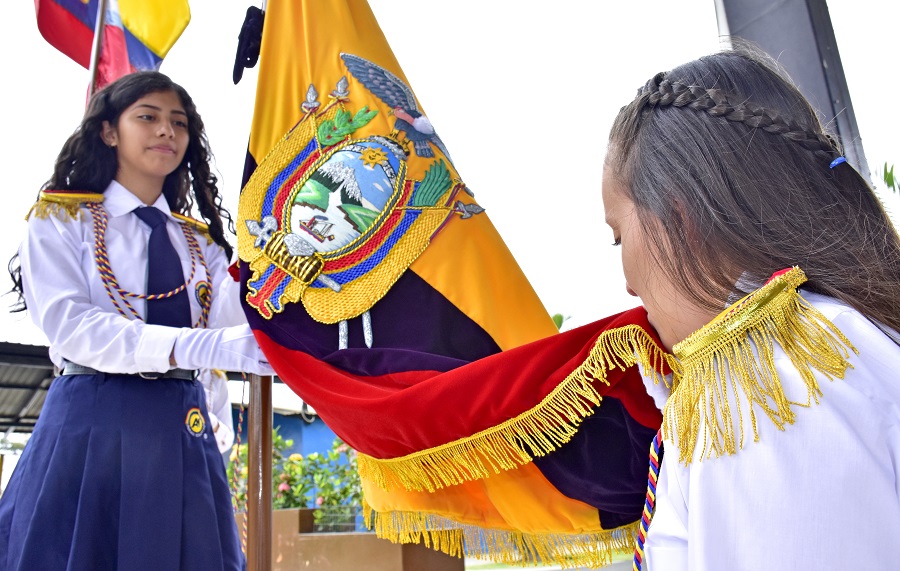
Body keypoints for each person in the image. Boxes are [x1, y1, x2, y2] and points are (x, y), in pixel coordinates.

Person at [602, 44, 900, 569]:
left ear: (679, 220)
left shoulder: (767, 385)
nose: (627, 286)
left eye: (617, 235)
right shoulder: (838, 338)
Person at [0, 71, 273, 570]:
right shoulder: (61, 221)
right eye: (147, 117)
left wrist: (281, 258)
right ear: (109, 131)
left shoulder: (201, 244)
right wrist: (201, 348)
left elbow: (238, 324)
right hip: (93, 417)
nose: (166, 131)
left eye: (179, 123)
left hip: (182, 421)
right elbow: (72, 328)